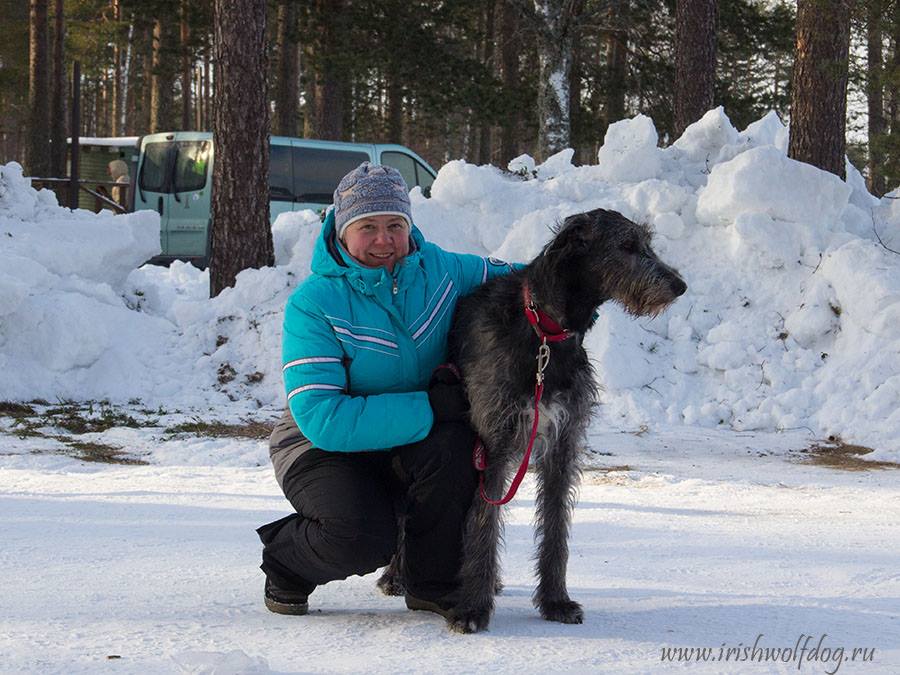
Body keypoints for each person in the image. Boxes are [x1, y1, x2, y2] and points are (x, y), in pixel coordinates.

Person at [257, 162, 514, 617]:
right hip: (318, 447)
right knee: (361, 536)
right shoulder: (314, 304)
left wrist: (578, 290)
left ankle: (431, 582)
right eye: (367, 227)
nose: (383, 240)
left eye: (395, 225)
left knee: (455, 446)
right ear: (341, 230)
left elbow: (525, 282)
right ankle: (286, 560)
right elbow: (325, 419)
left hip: (409, 436)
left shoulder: (444, 271)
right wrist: (431, 406)